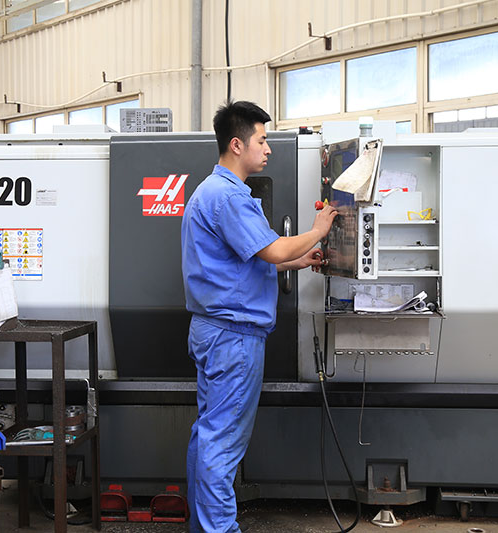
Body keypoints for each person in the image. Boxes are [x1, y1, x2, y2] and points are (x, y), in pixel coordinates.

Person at [181, 100, 338, 533]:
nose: (268, 149)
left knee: (209, 434)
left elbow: (246, 260)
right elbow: (270, 249)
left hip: (213, 331)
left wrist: (298, 260)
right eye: (262, 140)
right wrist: (318, 231)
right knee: (223, 442)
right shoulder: (230, 197)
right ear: (237, 144)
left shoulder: (209, 192)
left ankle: (204, 527)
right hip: (232, 337)